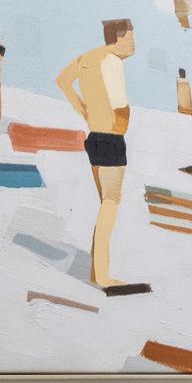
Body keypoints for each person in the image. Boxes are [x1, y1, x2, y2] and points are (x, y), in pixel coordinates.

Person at [54, 18, 142, 292]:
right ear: (117, 38)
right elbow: (119, 105)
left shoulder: (88, 58)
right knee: (110, 204)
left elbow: (62, 81)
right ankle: (101, 274)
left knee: (106, 203)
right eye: (130, 38)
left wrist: (84, 111)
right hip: (111, 139)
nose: (133, 44)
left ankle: (98, 269)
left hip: (94, 137)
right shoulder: (112, 61)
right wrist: (120, 123)